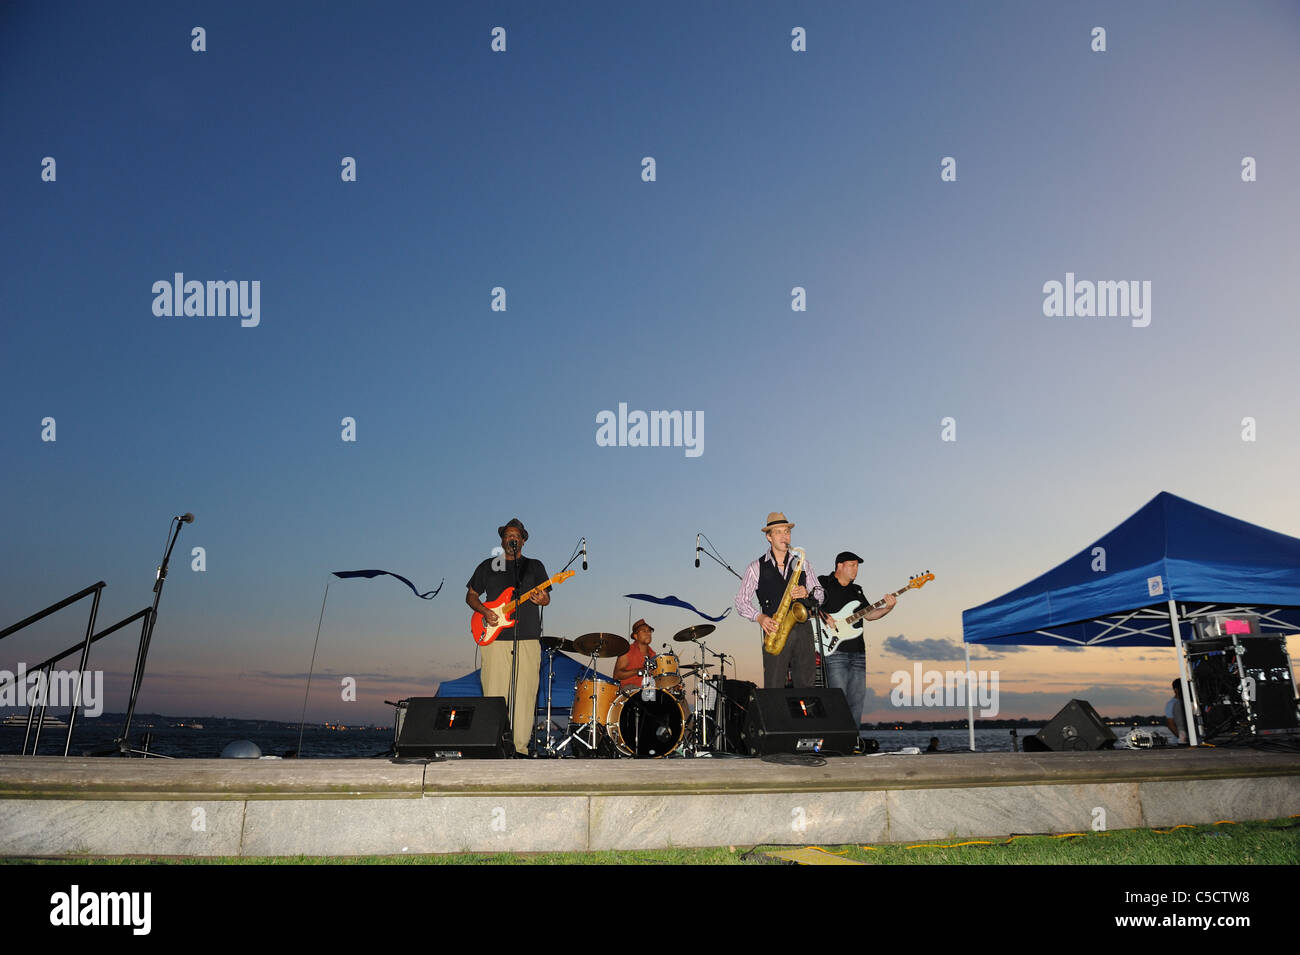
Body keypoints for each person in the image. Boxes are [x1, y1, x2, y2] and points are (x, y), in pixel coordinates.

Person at [465, 518, 550, 756]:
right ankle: (494, 745)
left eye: (516, 535)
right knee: (494, 692)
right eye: (508, 535)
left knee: (525, 692)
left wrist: (544, 599)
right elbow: (471, 595)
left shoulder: (535, 566)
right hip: (494, 638)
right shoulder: (488, 566)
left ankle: (520, 748)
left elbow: (546, 598)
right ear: (502, 541)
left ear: (523, 540)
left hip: (528, 637)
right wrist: (485, 611)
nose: (512, 538)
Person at [735, 512, 825, 688]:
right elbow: (740, 602)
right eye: (779, 532)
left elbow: (820, 594)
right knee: (774, 685)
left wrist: (807, 593)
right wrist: (759, 618)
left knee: (807, 685)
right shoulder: (755, 567)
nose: (785, 537)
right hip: (774, 629)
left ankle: (805, 715)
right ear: (768, 537)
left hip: (803, 629)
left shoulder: (803, 563)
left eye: (787, 532)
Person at [818, 551, 895, 729]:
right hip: (834, 651)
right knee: (837, 700)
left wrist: (888, 608)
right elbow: (809, 604)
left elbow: (870, 615)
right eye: (852, 565)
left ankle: (853, 741)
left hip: (858, 653)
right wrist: (824, 615)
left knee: (857, 701)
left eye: (857, 566)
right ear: (839, 566)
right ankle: (836, 740)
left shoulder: (857, 590)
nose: (856, 569)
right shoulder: (823, 583)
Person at [613, 619, 657, 689]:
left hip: (648, 691)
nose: (648, 633)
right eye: (644, 631)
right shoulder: (627, 650)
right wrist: (639, 671)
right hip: (630, 690)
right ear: (635, 636)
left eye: (649, 631)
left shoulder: (653, 654)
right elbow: (617, 675)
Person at [1165, 678, 1189, 744]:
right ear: (1176, 690)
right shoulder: (1171, 704)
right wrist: (1183, 738)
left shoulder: (1188, 702)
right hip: (1179, 741)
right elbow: (1170, 724)